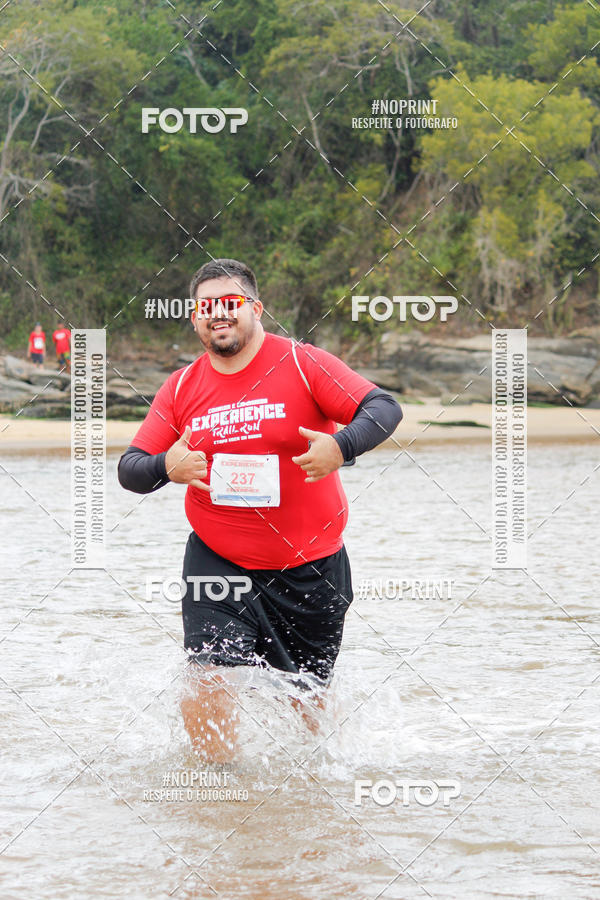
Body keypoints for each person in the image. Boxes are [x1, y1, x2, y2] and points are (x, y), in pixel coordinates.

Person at [118, 258, 402, 760]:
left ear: (256, 308)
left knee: (306, 704)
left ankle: (307, 794)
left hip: (312, 567)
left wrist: (342, 447)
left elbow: (382, 408)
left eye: (230, 302)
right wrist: (168, 465)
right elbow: (131, 468)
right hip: (220, 561)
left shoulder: (301, 362)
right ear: (194, 318)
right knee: (208, 676)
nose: (218, 314)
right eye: (206, 306)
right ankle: (218, 789)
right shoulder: (183, 386)